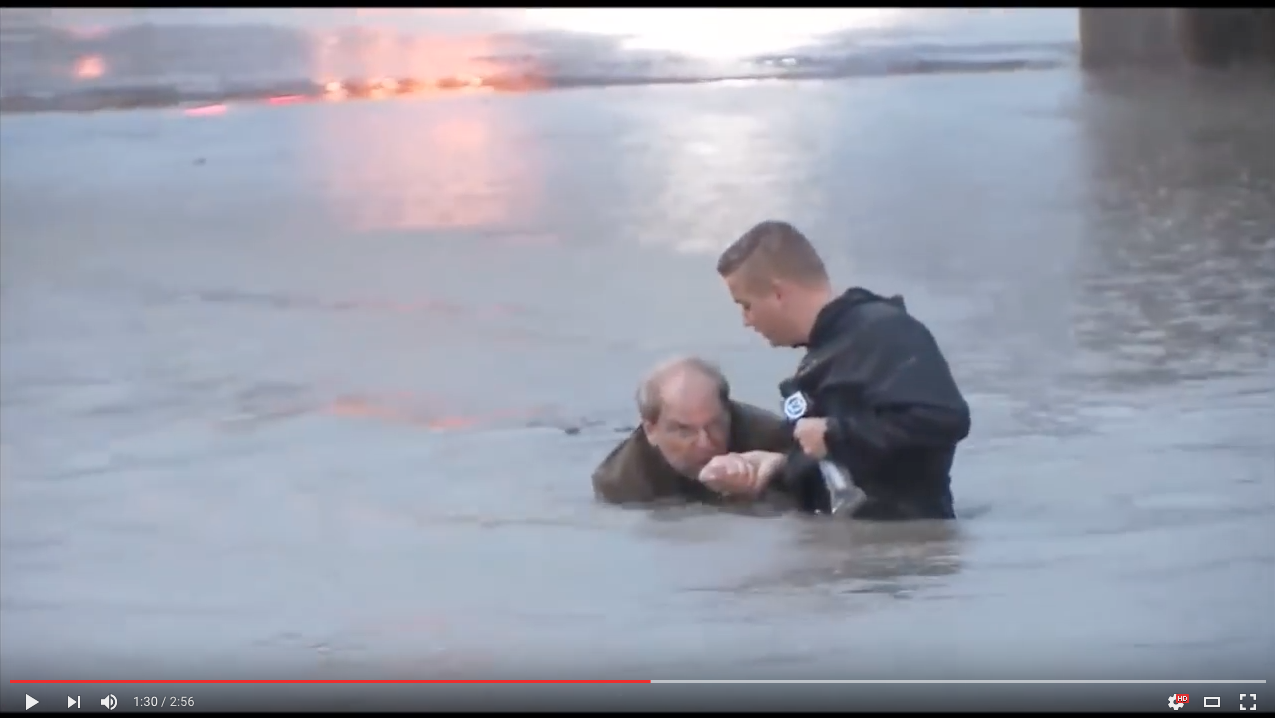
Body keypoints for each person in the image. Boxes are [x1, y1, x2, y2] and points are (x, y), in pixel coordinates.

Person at [713, 220, 972, 520]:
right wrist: (780, 467)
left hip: (901, 553)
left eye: (746, 305)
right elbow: (851, 465)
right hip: (850, 546)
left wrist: (836, 434)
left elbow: (945, 419)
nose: (747, 320)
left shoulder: (885, 333)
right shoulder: (828, 350)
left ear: (778, 294)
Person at [590, 356, 799, 509]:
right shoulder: (621, 483)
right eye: (684, 431)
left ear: (729, 412)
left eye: (715, 425)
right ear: (650, 430)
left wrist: (758, 489)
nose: (705, 444)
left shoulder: (773, 438)